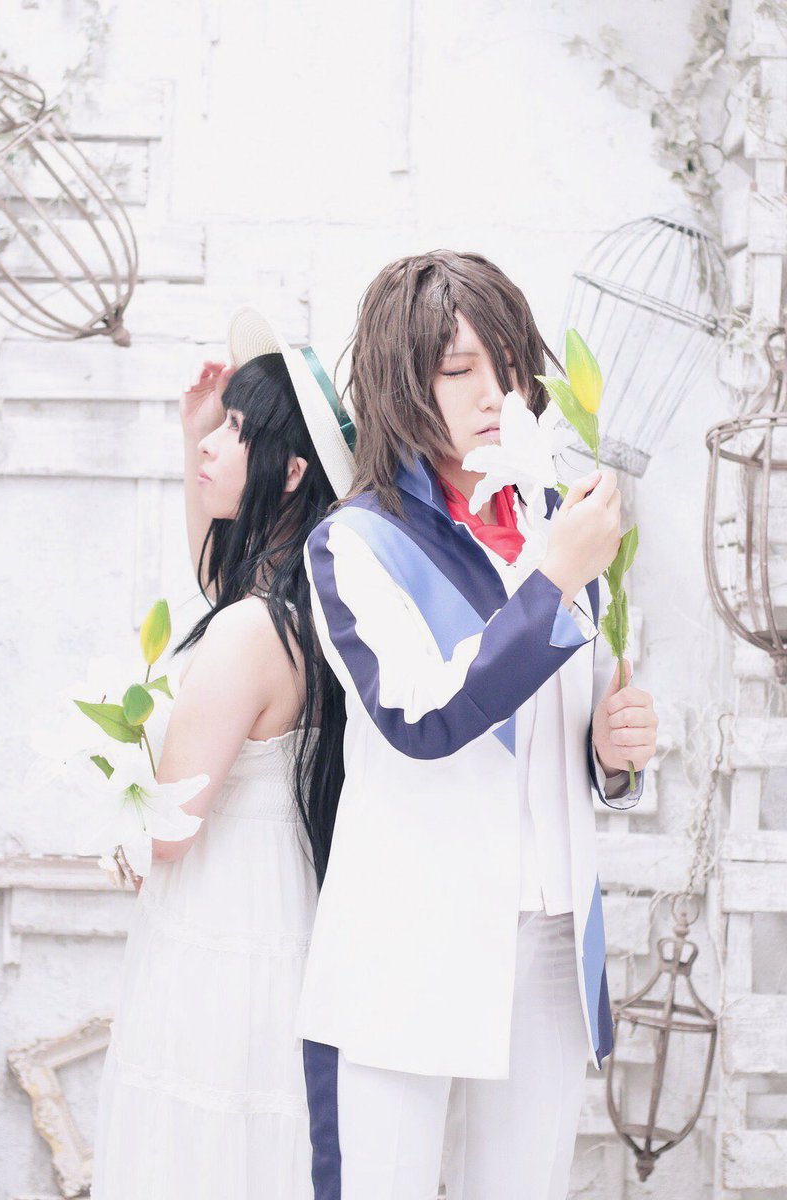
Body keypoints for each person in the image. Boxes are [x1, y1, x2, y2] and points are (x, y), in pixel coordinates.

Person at [297, 251, 658, 1200]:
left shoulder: (559, 517)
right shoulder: (354, 543)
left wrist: (612, 754)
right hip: (408, 940)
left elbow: (571, 717)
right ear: (399, 382)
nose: (495, 393)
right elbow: (423, 716)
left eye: (506, 365)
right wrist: (557, 575)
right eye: (459, 369)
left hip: (550, 937)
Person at [90, 309, 354, 1200]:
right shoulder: (299, 604)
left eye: (236, 430)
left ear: (291, 470)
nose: (212, 443)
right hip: (272, 904)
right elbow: (218, 574)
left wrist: (119, 804)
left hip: (222, 915)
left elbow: (168, 830)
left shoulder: (247, 633)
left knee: (195, 1144)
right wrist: (194, 438)